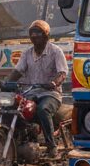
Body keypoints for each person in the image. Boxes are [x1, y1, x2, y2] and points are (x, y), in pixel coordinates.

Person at [5, 20, 68, 158]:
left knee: (42, 109)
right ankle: (22, 138)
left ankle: (52, 146)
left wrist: (54, 82)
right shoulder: (27, 53)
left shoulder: (55, 51)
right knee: (15, 108)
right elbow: (17, 72)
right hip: (31, 92)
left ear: (46, 35)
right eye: (32, 34)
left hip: (51, 93)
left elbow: (62, 73)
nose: (35, 36)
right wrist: (6, 83)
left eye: (38, 33)